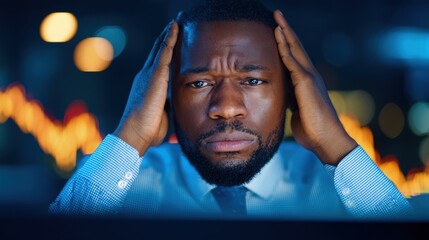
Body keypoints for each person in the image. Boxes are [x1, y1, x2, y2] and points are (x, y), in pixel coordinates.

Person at [49, 0, 413, 220]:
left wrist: (337, 145)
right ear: (164, 95)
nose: (226, 108)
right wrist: (130, 136)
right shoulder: (113, 188)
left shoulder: (339, 191)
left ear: (293, 93)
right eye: (199, 83)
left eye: (252, 81)